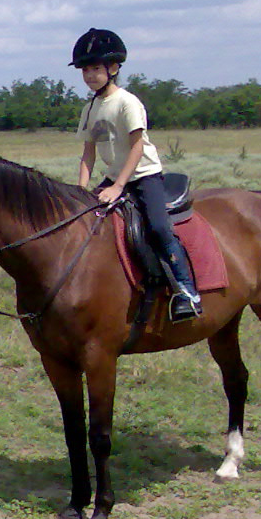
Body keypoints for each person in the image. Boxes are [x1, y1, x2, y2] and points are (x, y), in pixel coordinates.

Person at [71, 27, 201, 322]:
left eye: (95, 68)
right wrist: (80, 191)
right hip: (114, 177)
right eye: (85, 70)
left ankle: (186, 291)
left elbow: (137, 146)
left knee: (158, 228)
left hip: (143, 176)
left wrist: (118, 186)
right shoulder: (89, 108)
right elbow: (88, 153)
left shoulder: (127, 102)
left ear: (114, 68)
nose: (90, 75)